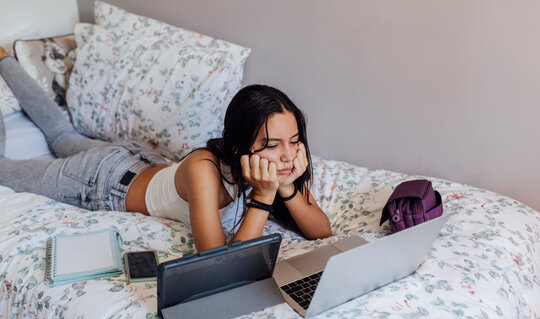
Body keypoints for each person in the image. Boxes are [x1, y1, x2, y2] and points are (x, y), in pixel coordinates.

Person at [0, 47, 332, 251]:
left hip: (140, 158)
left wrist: (286, 187)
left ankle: (4, 61)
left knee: (61, 137)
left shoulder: (279, 170)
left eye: (294, 141)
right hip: (103, 179)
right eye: (272, 145)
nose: (288, 155)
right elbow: (217, 261)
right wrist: (263, 198)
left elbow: (321, 231)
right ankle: (6, 61)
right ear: (238, 146)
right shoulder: (205, 169)